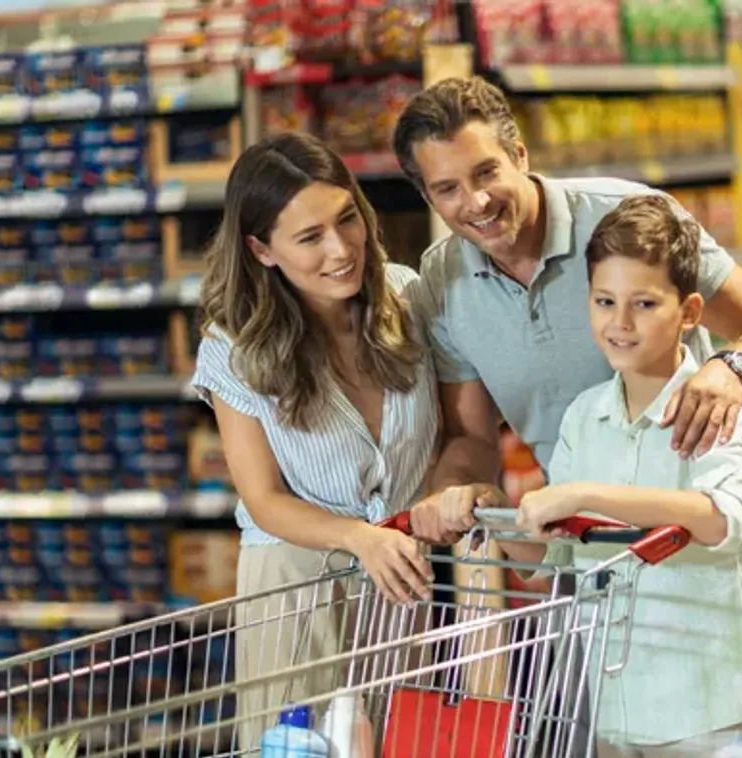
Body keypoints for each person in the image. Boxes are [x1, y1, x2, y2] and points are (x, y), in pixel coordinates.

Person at [392, 75, 742, 541]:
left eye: (486, 172)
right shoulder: (441, 282)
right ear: (428, 198)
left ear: (520, 156)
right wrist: (454, 492)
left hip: (687, 523)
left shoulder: (625, 217)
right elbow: (471, 438)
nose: (477, 201)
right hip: (581, 543)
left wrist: (731, 368)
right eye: (448, 189)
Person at [189, 132, 442, 747]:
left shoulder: (412, 300)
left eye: (347, 218)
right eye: (310, 237)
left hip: (401, 586)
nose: (341, 249)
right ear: (261, 250)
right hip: (297, 593)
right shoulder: (235, 348)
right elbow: (264, 499)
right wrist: (360, 538)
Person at [512, 194, 742, 756]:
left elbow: (723, 517)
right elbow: (549, 560)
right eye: (605, 301)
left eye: (644, 304)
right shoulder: (585, 417)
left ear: (688, 312)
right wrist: (498, 513)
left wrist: (586, 494)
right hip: (614, 701)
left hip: (707, 707)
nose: (620, 323)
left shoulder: (713, 404)